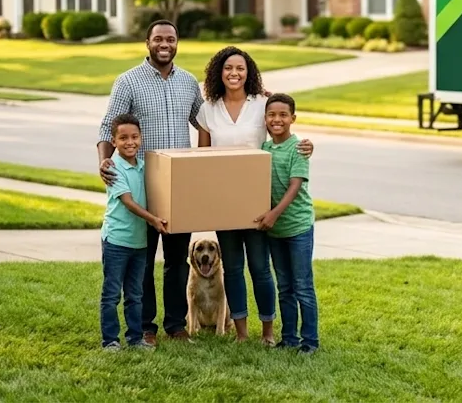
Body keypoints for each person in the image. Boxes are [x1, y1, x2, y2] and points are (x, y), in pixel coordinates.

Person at [97, 21, 313, 346]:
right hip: (142, 180)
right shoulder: (127, 81)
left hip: (180, 187)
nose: (164, 44)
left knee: (175, 262)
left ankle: (175, 324)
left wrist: (265, 99)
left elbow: (215, 120)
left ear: (177, 42)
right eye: (158, 39)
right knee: (143, 260)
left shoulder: (187, 82)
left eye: (170, 38)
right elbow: (106, 127)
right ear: (147, 42)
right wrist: (105, 160)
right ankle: (145, 328)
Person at [196, 46, 276, 345]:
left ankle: (267, 332)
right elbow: (201, 157)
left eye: (240, 68)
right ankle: (241, 333)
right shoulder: (208, 108)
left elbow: (281, 133)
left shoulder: (262, 103)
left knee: (259, 268)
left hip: (256, 199)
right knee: (232, 268)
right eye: (228, 68)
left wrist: (304, 146)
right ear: (219, 72)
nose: (234, 73)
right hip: (223, 201)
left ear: (249, 72)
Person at [256, 93, 319, 354]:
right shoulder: (265, 150)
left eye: (283, 115)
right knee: (284, 287)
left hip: (298, 227)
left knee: (303, 286)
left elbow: (294, 187)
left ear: (293, 118)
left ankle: (310, 341)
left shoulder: (298, 148)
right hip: (275, 232)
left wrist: (273, 214)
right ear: (265, 119)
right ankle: (289, 338)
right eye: (272, 115)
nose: (277, 119)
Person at [100, 113, 168, 351]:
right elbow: (129, 202)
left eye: (135, 137)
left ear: (141, 138)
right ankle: (110, 340)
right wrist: (154, 220)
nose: (130, 142)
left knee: (135, 295)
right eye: (124, 138)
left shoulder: (142, 166)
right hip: (117, 241)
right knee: (111, 295)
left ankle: (135, 338)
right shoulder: (113, 168)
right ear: (114, 140)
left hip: (139, 243)